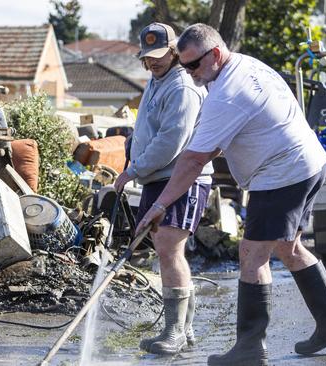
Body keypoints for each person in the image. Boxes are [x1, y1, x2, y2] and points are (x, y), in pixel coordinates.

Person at [136, 23, 326, 365]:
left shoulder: (228, 94)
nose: (187, 71)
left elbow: (193, 160)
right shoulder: (245, 65)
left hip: (282, 172)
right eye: (184, 63)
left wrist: (162, 204)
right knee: (289, 246)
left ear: (216, 54)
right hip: (308, 162)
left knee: (252, 255)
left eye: (192, 64)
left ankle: (250, 348)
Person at [113, 22, 214, 355]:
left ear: (174, 51)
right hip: (159, 178)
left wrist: (133, 170)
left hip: (180, 176)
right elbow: (151, 129)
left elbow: (171, 141)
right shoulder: (156, 81)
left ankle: (175, 333)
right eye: (148, 57)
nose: (153, 62)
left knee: (169, 248)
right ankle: (185, 329)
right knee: (167, 249)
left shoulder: (182, 87)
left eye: (159, 56)